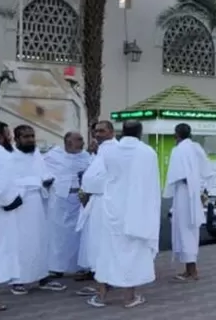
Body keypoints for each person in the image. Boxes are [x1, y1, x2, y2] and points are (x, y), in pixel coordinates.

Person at [90, 120, 161, 309]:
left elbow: (100, 177)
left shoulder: (109, 151)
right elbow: (152, 185)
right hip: (137, 210)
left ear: (122, 131)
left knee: (107, 252)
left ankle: (101, 296)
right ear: (140, 132)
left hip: (113, 209)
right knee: (133, 254)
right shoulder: (148, 153)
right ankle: (129, 297)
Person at [10, 125, 66, 295]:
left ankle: (43, 278)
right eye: (26, 137)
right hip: (21, 205)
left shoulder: (36, 154)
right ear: (16, 139)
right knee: (22, 244)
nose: (31, 140)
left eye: (32, 136)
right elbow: (11, 181)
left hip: (39, 204)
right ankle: (18, 281)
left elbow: (44, 173)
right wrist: (36, 182)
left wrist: (48, 180)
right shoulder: (10, 157)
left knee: (41, 241)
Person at [164, 123, 214, 282]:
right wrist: (202, 188)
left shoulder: (178, 150)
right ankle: (189, 269)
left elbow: (175, 174)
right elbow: (207, 169)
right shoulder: (196, 147)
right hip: (194, 193)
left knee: (184, 229)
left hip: (184, 194)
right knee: (191, 229)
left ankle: (192, 271)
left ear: (176, 135)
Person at [75, 120, 117, 297]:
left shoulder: (113, 150)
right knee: (96, 244)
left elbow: (108, 180)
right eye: (96, 132)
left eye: (102, 131)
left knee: (103, 244)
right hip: (96, 203)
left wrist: (87, 186)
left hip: (106, 204)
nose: (98, 134)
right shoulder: (102, 150)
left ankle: (105, 284)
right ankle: (102, 280)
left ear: (112, 132)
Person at [44, 131, 92, 277]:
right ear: (68, 142)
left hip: (79, 200)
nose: (83, 142)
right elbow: (44, 173)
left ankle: (80, 266)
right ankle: (56, 268)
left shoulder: (85, 156)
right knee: (58, 236)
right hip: (59, 200)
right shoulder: (53, 156)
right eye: (79, 140)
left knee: (79, 234)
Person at [0, 122, 23, 313]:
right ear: (0, 136)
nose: (11, 138)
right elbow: (2, 186)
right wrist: (10, 201)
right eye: (8, 134)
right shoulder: (3, 155)